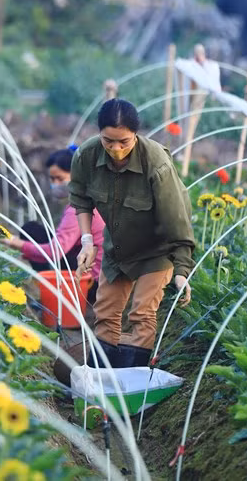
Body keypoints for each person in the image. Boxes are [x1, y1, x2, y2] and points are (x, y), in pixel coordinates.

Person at [69, 98, 195, 369]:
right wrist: (87, 241)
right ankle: (100, 381)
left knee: (141, 314)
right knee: (105, 311)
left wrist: (182, 270)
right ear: (99, 133)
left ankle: (130, 383)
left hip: (157, 249)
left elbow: (176, 219)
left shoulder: (156, 163)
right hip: (119, 247)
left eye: (124, 142)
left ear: (135, 134)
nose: (115, 149)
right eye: (108, 141)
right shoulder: (86, 156)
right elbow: (80, 199)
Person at [0, 148, 105, 302]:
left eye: (60, 178)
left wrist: (15, 242)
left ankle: (50, 295)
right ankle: (48, 288)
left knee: (31, 232)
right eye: (52, 179)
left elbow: (54, 252)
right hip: (96, 276)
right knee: (34, 232)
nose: (55, 184)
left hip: (91, 285)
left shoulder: (78, 209)